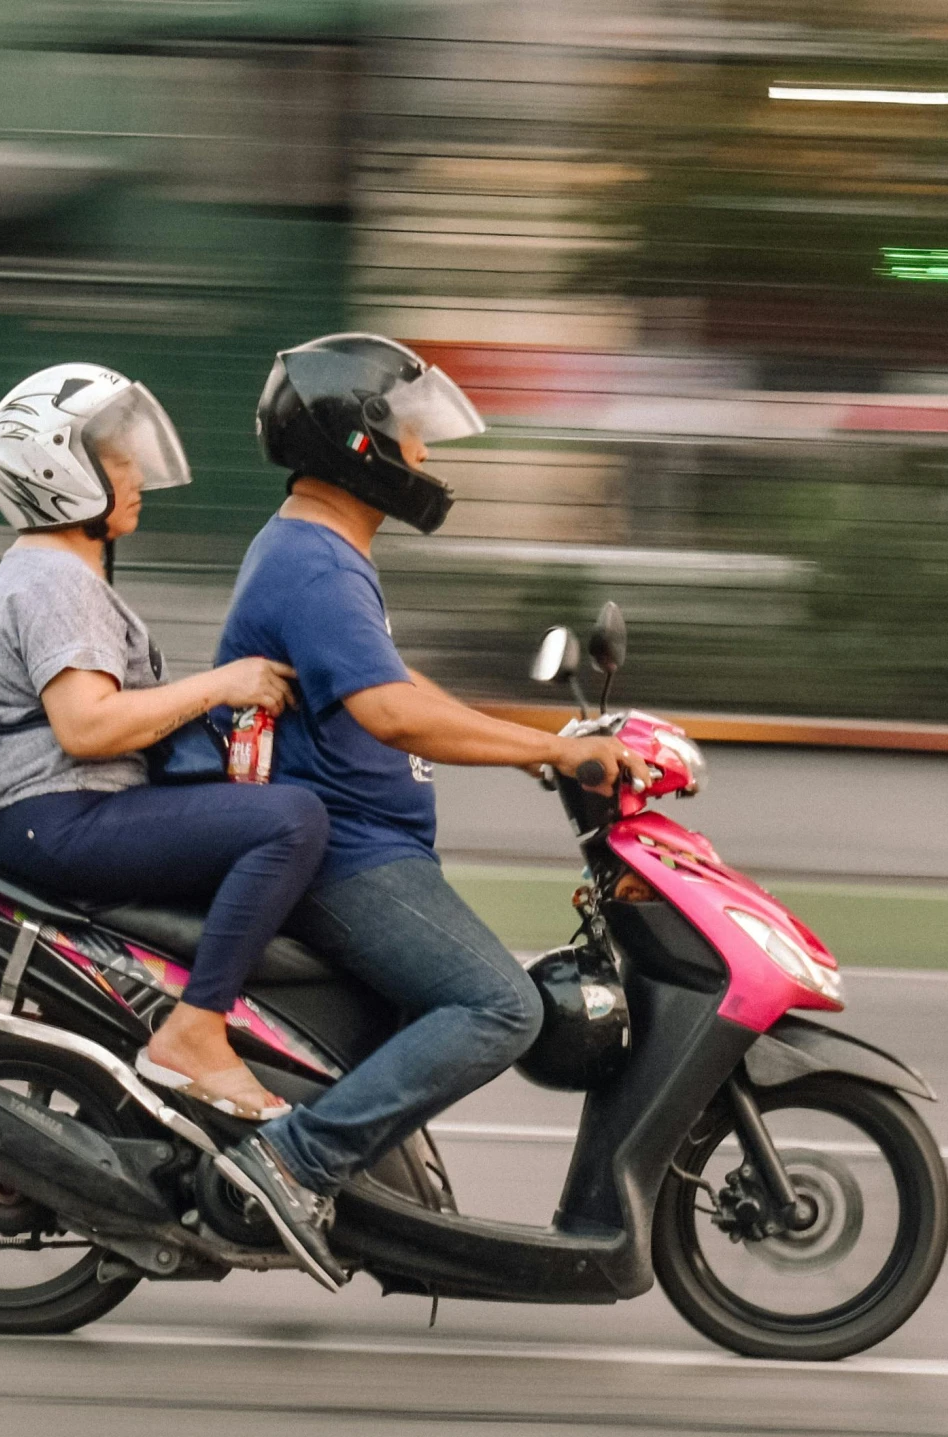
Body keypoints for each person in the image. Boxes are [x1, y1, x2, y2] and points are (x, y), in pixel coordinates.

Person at [207, 333, 648, 1282]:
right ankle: (295, 1159)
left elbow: (396, 680)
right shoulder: (317, 563)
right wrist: (546, 747)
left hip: (362, 845)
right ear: (354, 440)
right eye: (411, 434)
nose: (425, 455)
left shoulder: (320, 553)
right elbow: (391, 710)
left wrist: (534, 743)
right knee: (500, 1004)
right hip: (346, 857)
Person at [0, 362, 326, 1124]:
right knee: (291, 821)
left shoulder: (61, 573)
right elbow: (87, 727)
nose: (135, 474)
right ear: (58, 473)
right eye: (116, 459)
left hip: (66, 813)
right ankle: (194, 1032)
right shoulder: (54, 580)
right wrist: (220, 684)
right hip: (63, 816)